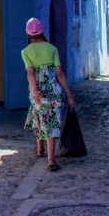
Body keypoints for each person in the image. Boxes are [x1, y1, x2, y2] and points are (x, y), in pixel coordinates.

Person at [21, 18, 76, 171]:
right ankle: (51, 159)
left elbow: (30, 73)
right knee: (52, 121)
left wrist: (35, 91)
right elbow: (59, 73)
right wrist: (69, 95)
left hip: (37, 90)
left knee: (39, 117)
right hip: (53, 90)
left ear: (28, 34)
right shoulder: (52, 49)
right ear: (42, 31)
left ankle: (40, 150)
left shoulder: (26, 52)